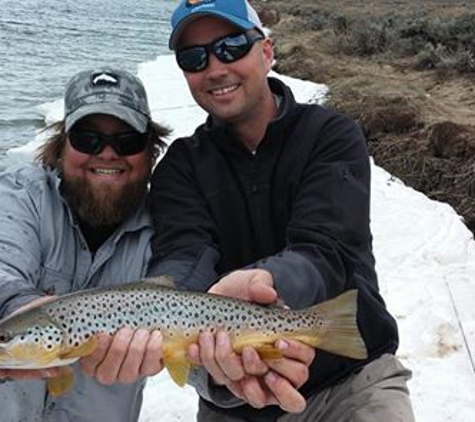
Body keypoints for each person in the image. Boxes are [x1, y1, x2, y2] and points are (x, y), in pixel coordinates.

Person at [145, 0, 416, 421]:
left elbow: (327, 248)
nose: (215, 68)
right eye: (194, 57)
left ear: (267, 52)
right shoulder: (179, 167)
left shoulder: (330, 134)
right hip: (237, 393)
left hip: (351, 379)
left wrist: (267, 284)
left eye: (232, 46)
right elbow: (183, 255)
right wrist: (178, 306)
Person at [0, 67, 169, 421]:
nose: (107, 153)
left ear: (151, 152)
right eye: (87, 138)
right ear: (61, 146)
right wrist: (16, 306)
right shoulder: (18, 195)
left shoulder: (172, 232)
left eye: (127, 141)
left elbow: (204, 364)